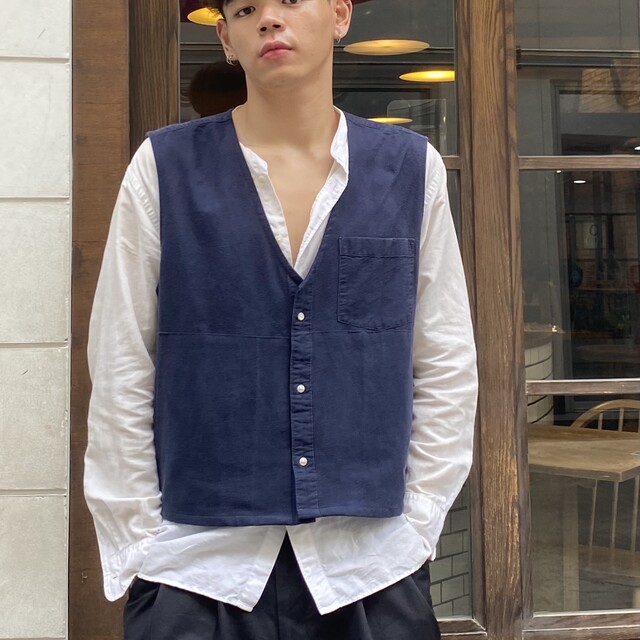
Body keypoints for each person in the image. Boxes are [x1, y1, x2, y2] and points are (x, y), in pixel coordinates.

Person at [84, 0, 478, 638]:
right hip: (197, 571)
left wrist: (418, 524)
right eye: (246, 8)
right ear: (226, 38)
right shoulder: (164, 166)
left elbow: (445, 358)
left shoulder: (411, 168)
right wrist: (141, 543)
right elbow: (122, 358)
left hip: (369, 569)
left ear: (340, 15)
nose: (269, 18)